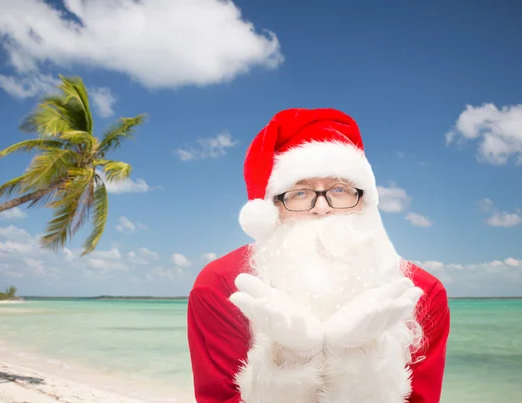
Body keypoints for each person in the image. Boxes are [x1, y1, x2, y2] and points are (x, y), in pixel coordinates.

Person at [187, 108, 450, 403]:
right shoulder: (219, 285)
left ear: (364, 202)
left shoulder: (421, 292)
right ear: (274, 207)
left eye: (340, 189)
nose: (322, 208)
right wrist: (291, 361)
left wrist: (357, 364)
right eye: (299, 193)